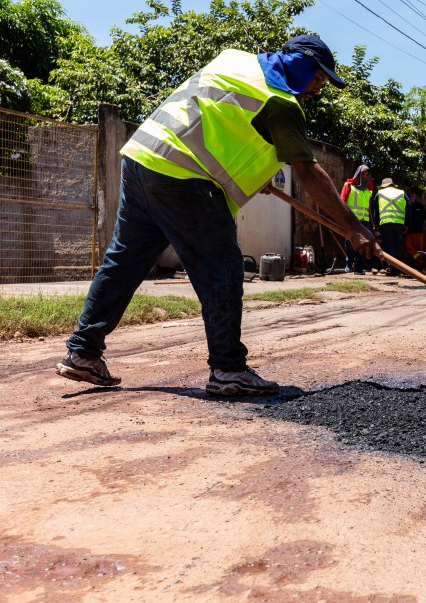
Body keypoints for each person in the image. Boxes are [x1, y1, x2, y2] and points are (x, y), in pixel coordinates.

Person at [55, 35, 379, 397]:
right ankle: (228, 369)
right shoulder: (281, 102)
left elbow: (217, 121)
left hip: (144, 158)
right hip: (184, 177)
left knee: (124, 261)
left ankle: (83, 351)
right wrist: (353, 228)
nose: (316, 91)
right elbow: (308, 172)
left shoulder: (234, 60)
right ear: (301, 64)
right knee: (222, 269)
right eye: (318, 80)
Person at [340, 164, 373, 275]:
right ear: (358, 174)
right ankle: (349, 262)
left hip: (364, 221)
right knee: (349, 243)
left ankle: (359, 268)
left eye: (367, 174)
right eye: (363, 174)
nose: (365, 176)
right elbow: (342, 202)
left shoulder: (368, 190)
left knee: (363, 244)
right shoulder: (348, 186)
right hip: (352, 220)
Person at [373, 177, 409, 277]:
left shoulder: (379, 193)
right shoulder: (401, 193)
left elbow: (376, 211)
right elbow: (408, 207)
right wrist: (406, 224)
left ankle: (394, 270)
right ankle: (395, 268)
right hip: (399, 224)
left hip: (385, 223)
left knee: (389, 246)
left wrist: (376, 225)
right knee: (396, 246)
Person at [403, 188, 426, 268]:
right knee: (408, 247)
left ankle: (419, 264)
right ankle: (419, 261)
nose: (411, 197)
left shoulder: (420, 206)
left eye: (413, 195)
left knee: (419, 249)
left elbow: (424, 216)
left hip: (418, 231)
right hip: (409, 231)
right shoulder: (405, 206)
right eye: (410, 195)